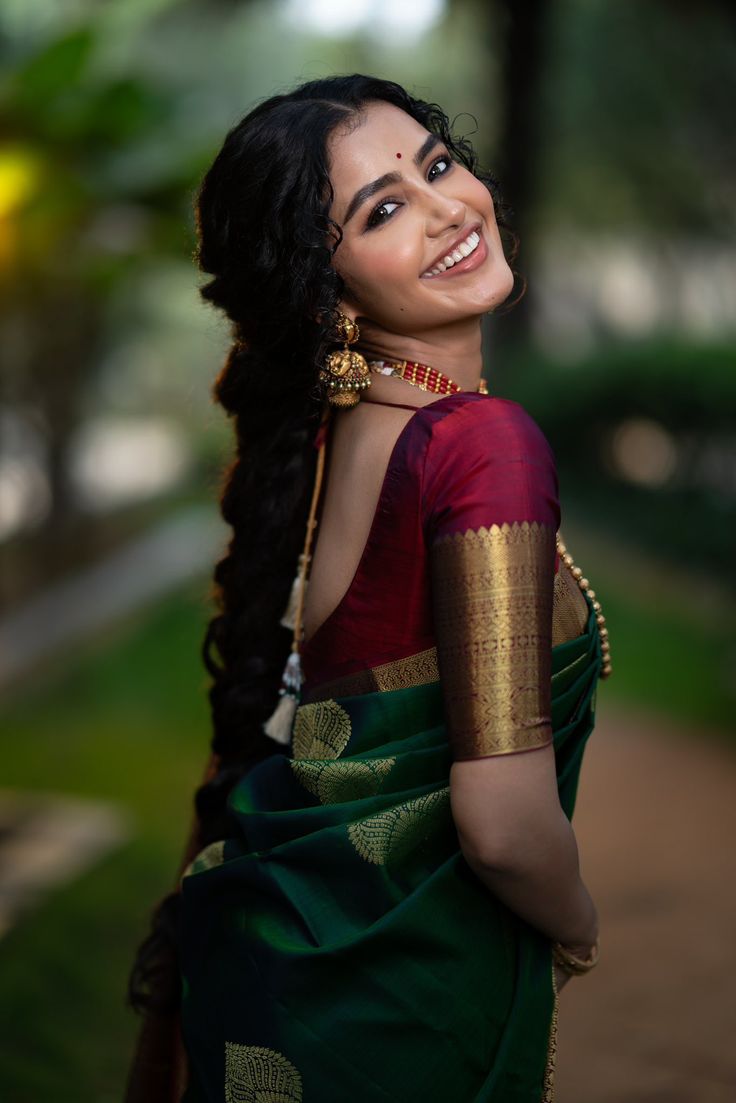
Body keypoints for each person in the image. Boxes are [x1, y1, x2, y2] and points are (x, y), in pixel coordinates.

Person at [125, 73, 610, 1103]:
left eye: (436, 164)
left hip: (286, 982)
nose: (445, 208)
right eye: (383, 211)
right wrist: (575, 922)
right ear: (324, 292)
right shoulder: (481, 447)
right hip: (399, 1012)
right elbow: (502, 819)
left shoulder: (331, 438)